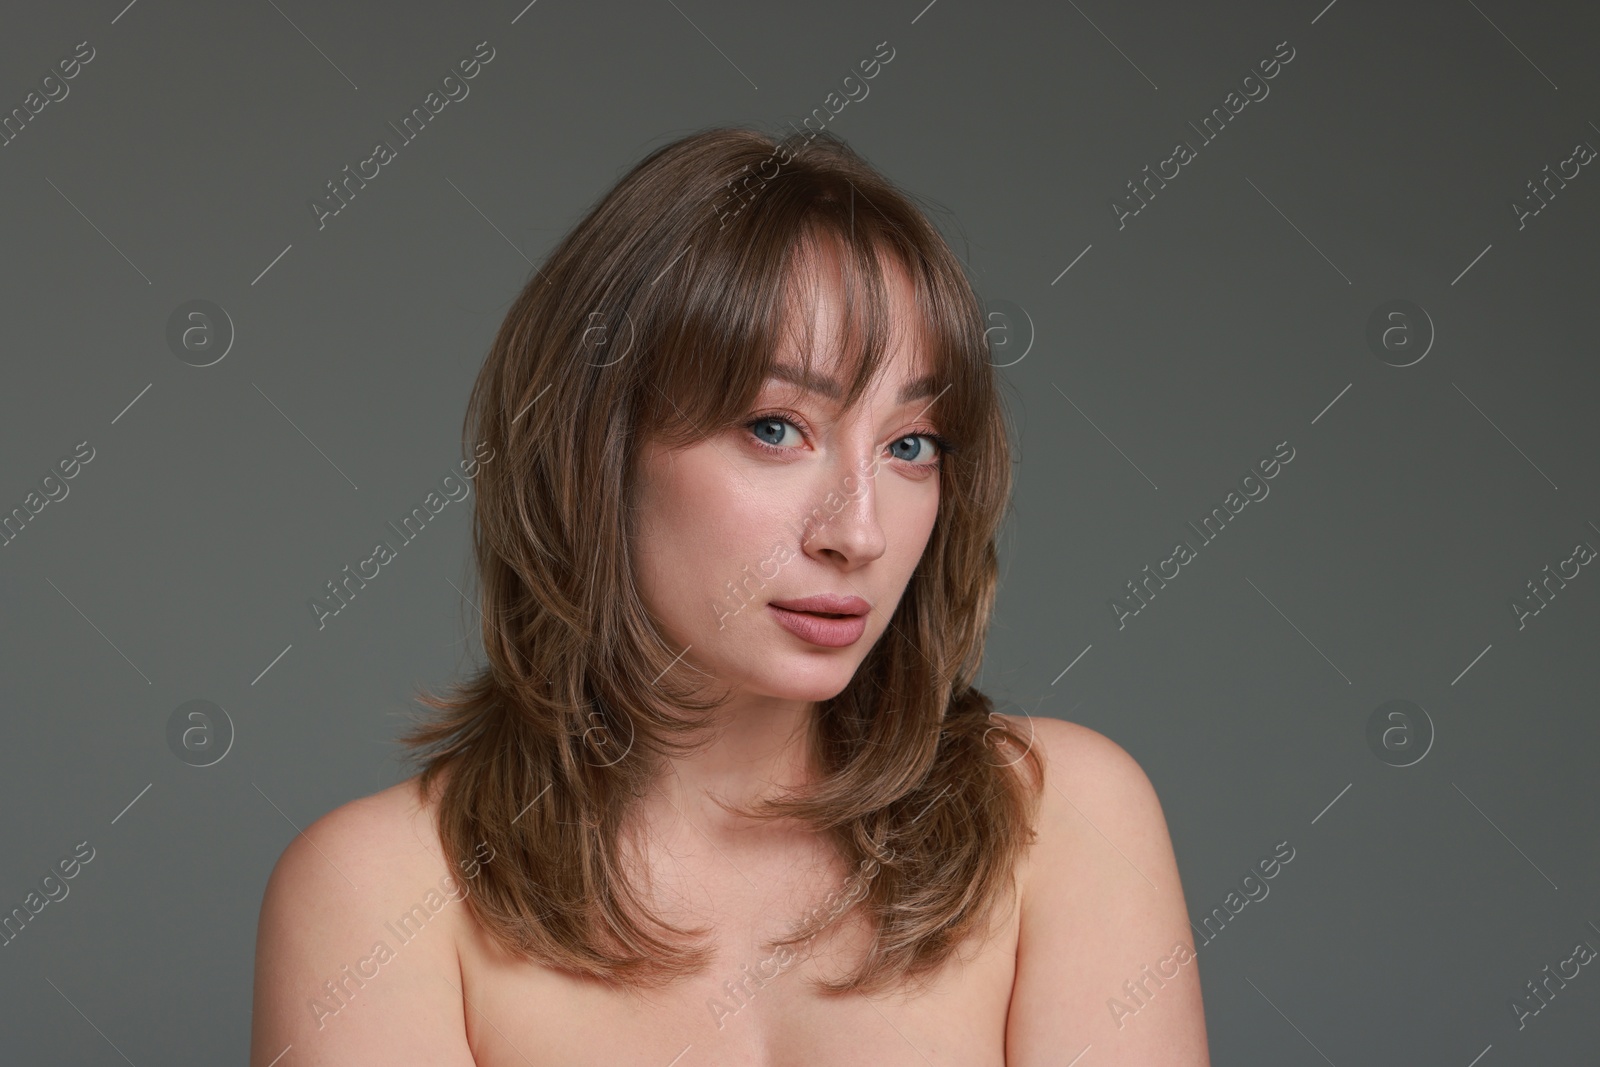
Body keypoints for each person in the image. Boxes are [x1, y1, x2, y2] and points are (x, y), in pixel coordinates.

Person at [249, 125, 1210, 1065]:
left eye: (910, 444)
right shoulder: (381, 893)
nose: (859, 531)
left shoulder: (1058, 820)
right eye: (776, 427)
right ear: (597, 448)